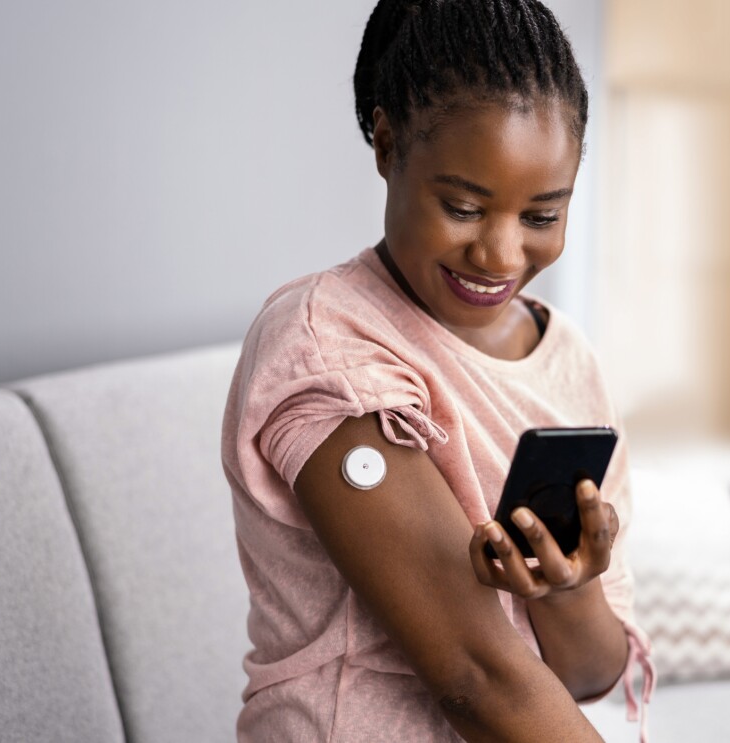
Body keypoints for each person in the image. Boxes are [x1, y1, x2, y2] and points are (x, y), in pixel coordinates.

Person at [221, 1, 655, 740]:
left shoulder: (568, 358)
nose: (501, 255)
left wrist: (565, 587)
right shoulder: (328, 343)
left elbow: (587, 675)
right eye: (463, 206)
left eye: (542, 216)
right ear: (387, 144)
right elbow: (475, 675)